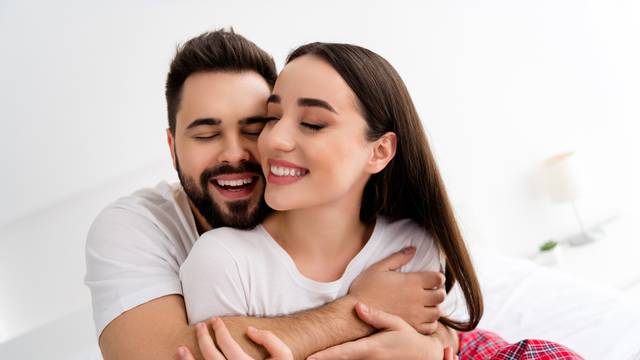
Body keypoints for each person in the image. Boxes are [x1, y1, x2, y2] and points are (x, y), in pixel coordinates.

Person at [177, 42, 586, 360]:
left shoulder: (412, 244)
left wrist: (434, 349)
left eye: (313, 124)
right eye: (272, 117)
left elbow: (442, 339)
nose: (274, 139)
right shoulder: (222, 261)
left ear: (380, 151)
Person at [84, 29, 448, 360]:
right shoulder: (137, 228)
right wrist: (358, 310)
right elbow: (165, 357)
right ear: (172, 148)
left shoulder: (403, 238)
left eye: (256, 127)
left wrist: (434, 346)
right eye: (206, 135)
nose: (234, 154)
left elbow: (447, 327)